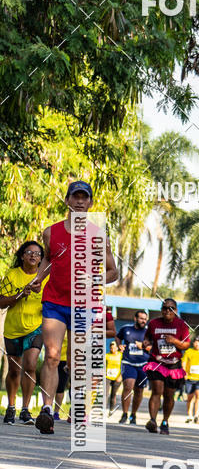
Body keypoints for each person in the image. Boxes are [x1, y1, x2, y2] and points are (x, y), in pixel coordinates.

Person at [31, 180, 118, 434]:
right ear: (67, 200)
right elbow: (48, 259)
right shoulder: (51, 232)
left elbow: (113, 272)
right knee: (52, 355)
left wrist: (94, 279)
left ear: (90, 203)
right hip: (55, 301)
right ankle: (47, 410)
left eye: (84, 198)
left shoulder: (98, 235)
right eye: (75, 197)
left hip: (84, 305)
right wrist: (39, 278)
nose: (80, 201)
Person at [0, 241, 47, 425]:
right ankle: (11, 407)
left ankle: (25, 409)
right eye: (29, 252)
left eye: (37, 254)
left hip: (35, 327)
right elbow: (1, 301)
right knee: (13, 370)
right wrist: (21, 294)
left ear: (41, 259)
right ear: (22, 256)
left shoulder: (45, 278)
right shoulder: (12, 275)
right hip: (13, 329)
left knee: (30, 366)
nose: (33, 256)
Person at [143, 298, 190, 434]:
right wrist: (146, 342)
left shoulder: (181, 325)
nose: (167, 311)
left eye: (171, 308)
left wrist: (175, 341)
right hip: (157, 362)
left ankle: (165, 421)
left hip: (173, 364)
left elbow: (186, 345)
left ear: (175, 311)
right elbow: (147, 338)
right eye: (165, 308)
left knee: (169, 395)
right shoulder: (153, 323)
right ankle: (152, 420)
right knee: (157, 390)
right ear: (161, 310)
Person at [116, 309, 149, 425]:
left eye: (145, 319)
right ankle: (124, 413)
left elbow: (153, 347)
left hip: (143, 364)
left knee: (139, 391)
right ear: (135, 319)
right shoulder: (126, 329)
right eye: (141, 318)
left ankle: (133, 414)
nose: (143, 321)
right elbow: (118, 337)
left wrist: (144, 347)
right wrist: (119, 345)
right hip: (128, 362)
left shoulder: (148, 332)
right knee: (128, 387)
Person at [53, 337, 69, 421]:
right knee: (49, 386)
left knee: (60, 387)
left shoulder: (70, 328)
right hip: (52, 358)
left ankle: (56, 412)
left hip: (64, 360)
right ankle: (46, 407)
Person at [105, 340, 122, 412]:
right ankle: (103, 410)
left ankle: (111, 409)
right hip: (107, 377)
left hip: (117, 377)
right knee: (105, 394)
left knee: (113, 394)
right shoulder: (107, 355)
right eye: (111, 348)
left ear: (117, 348)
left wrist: (120, 375)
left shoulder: (120, 355)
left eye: (114, 348)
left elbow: (123, 366)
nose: (113, 349)